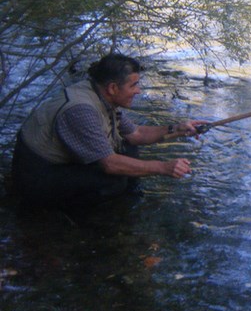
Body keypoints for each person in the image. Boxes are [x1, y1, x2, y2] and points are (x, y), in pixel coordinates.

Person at [9, 53, 207, 211]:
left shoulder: (100, 94)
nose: (138, 91)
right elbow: (109, 164)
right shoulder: (82, 110)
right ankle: (78, 221)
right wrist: (164, 167)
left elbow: (136, 134)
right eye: (133, 85)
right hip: (36, 176)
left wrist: (177, 129)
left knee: (128, 147)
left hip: (57, 166)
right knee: (113, 181)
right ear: (113, 88)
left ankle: (128, 202)